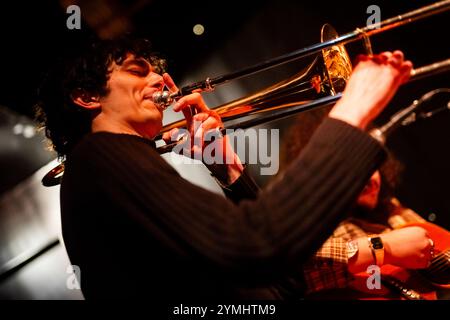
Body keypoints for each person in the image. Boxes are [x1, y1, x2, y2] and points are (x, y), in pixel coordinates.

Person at [35, 37, 413, 300]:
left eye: (154, 71)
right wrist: (351, 113)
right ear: (86, 97)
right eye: (137, 70)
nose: (157, 80)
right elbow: (256, 245)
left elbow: (274, 285)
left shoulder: (112, 162)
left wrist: (229, 170)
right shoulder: (101, 154)